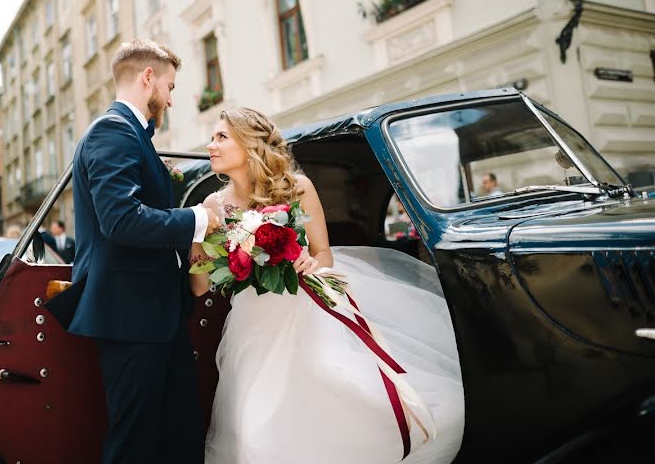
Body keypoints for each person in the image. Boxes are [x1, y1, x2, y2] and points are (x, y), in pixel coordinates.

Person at [191, 108, 464, 464]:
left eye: (221, 137)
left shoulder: (296, 188)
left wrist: (308, 262)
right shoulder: (214, 205)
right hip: (250, 327)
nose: (211, 146)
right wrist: (196, 235)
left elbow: (323, 254)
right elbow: (199, 286)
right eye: (212, 138)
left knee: (335, 398)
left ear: (249, 144)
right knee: (251, 426)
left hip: (303, 313)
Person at [44, 39, 222, 464]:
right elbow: (121, 221)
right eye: (171, 87)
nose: (172, 99)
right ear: (148, 78)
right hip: (131, 318)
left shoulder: (130, 134)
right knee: (136, 441)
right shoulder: (113, 130)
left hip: (154, 315)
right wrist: (199, 218)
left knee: (175, 432)